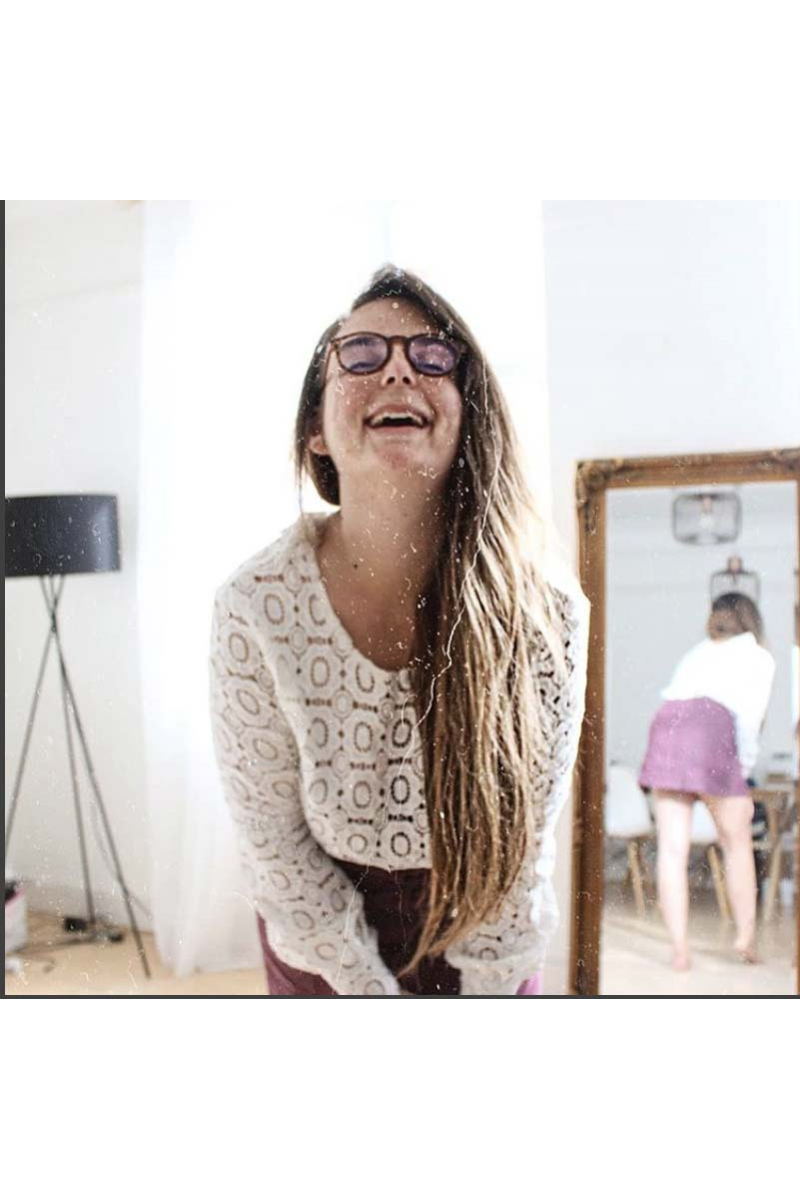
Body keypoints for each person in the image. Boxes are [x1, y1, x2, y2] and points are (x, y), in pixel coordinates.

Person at [209, 265, 589, 996]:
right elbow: (275, 846)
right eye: (360, 354)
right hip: (318, 938)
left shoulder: (546, 613)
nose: (397, 370)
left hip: (488, 931)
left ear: (466, 414)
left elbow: (521, 853)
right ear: (315, 430)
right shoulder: (254, 605)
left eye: (431, 355)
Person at [638, 592, 776, 970]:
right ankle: (745, 939)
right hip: (710, 729)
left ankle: (680, 950)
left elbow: (672, 698)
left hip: (667, 726)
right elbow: (749, 719)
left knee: (672, 849)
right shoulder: (757, 656)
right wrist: (742, 774)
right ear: (751, 618)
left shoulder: (697, 652)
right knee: (736, 842)